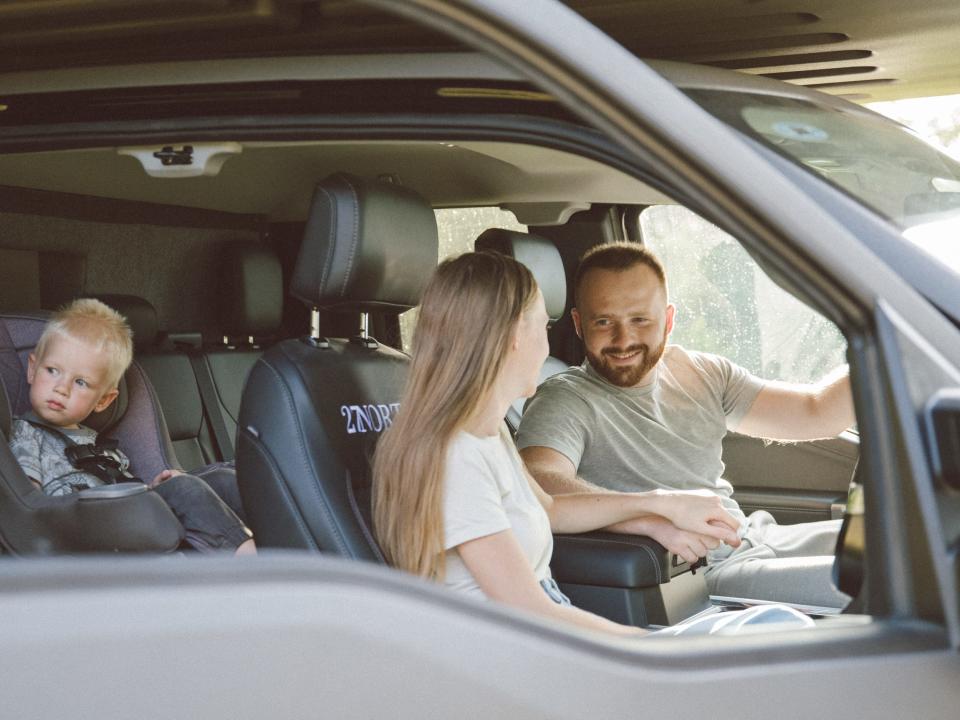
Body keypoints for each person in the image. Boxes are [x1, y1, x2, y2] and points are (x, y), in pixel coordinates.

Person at [372, 251, 744, 638]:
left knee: (764, 633)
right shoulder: (459, 457)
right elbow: (527, 610)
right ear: (515, 337)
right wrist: (652, 649)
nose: (549, 348)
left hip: (536, 637)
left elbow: (548, 508)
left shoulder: (488, 432)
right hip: (504, 654)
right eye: (543, 327)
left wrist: (657, 510)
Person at [516, 242, 855, 608]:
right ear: (580, 325)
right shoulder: (564, 398)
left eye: (640, 320)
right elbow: (538, 484)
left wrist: (886, 347)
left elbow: (816, 411)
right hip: (692, 573)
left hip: (753, 536)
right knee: (884, 582)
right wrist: (653, 511)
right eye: (604, 322)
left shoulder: (703, 373)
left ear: (669, 319)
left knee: (897, 542)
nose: (623, 339)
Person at [8, 298, 256, 555]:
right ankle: (250, 561)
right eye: (52, 370)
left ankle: (285, 546)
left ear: (104, 400)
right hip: (82, 529)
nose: (61, 388)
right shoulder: (25, 433)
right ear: (32, 370)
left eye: (80, 382)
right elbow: (27, 505)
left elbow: (127, 491)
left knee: (225, 480)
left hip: (127, 516)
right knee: (183, 489)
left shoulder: (101, 448)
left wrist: (154, 487)